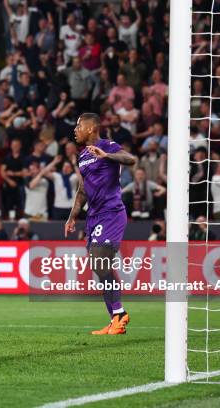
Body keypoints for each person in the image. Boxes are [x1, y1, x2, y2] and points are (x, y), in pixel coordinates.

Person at [65, 113, 136, 335]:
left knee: (99, 260)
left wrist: (107, 156)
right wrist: (73, 216)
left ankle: (120, 314)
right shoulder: (83, 156)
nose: (75, 129)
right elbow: (83, 189)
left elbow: (130, 159)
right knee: (99, 265)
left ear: (91, 127)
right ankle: (116, 318)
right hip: (94, 216)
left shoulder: (109, 146)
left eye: (78, 125)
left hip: (111, 212)